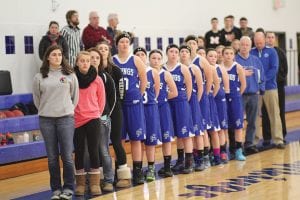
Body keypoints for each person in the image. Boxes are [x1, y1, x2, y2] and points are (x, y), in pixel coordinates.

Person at [32, 45, 79, 200]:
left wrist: (66, 109)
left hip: (66, 118)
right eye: (54, 54)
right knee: (52, 157)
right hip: (46, 120)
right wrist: (47, 110)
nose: (57, 57)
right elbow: (37, 99)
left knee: (66, 155)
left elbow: (75, 97)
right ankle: (56, 189)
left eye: (60, 54)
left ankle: (69, 188)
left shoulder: (70, 75)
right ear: (47, 57)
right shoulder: (39, 77)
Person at [113, 32, 147, 185]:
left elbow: (143, 80)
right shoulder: (112, 61)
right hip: (118, 106)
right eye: (122, 42)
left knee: (136, 138)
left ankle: (138, 171)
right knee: (118, 140)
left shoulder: (136, 60)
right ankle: (119, 170)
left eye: (127, 41)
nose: (125, 44)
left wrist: (138, 95)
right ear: (117, 44)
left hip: (133, 103)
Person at [96, 41, 132, 188]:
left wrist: (116, 108)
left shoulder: (116, 70)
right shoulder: (94, 72)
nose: (103, 51)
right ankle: (103, 177)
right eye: (100, 49)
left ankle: (123, 175)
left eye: (105, 49)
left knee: (116, 142)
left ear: (109, 52)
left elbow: (121, 91)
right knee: (100, 145)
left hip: (115, 110)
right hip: (98, 112)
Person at [73, 51, 105, 197]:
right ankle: (80, 184)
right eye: (82, 61)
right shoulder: (72, 79)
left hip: (93, 118)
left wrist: (96, 113)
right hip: (77, 120)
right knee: (79, 151)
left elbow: (101, 100)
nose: (85, 63)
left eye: (87, 60)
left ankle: (94, 183)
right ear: (77, 63)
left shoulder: (97, 79)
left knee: (93, 150)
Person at [250, 32, 285, 149]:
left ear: (264, 40)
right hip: (255, 89)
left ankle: (278, 139)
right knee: (254, 116)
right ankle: (253, 141)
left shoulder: (272, 52)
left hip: (270, 88)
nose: (259, 45)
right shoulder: (251, 52)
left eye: (260, 42)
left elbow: (274, 68)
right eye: (256, 43)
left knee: (274, 114)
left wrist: (262, 80)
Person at [88, 48, 115, 192]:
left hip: (102, 119)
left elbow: (112, 99)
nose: (94, 60)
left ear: (100, 61)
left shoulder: (105, 77)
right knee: (87, 151)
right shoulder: (80, 77)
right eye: (91, 57)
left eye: (97, 58)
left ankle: (109, 179)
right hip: (85, 120)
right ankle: (91, 181)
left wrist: (105, 115)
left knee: (103, 150)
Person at [164, 44, 194, 174]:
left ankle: (189, 162)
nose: (174, 54)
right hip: (167, 103)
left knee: (185, 133)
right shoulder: (162, 68)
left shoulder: (183, 68)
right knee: (176, 134)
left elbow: (189, 88)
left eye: (176, 52)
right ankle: (180, 160)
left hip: (181, 102)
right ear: (167, 53)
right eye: (171, 51)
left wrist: (183, 101)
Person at [185, 35, 213, 169]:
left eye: (193, 43)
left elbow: (209, 79)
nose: (191, 45)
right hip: (189, 99)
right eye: (188, 43)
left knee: (201, 128)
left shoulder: (201, 60)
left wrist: (203, 96)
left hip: (200, 98)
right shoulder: (183, 60)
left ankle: (205, 156)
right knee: (193, 128)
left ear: (197, 45)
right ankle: (195, 156)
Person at [149, 49, 178, 177]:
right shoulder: (146, 73)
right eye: (153, 58)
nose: (156, 61)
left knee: (166, 137)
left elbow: (175, 92)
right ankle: (151, 168)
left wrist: (164, 97)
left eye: (158, 58)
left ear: (161, 60)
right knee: (151, 138)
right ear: (149, 60)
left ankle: (167, 167)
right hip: (150, 107)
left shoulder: (165, 74)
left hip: (163, 107)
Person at [134, 47, 161, 182]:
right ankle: (137, 169)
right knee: (137, 140)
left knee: (150, 140)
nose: (140, 56)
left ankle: (151, 168)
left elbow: (156, 91)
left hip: (149, 107)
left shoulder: (153, 72)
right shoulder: (132, 71)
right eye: (137, 54)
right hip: (136, 108)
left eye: (142, 54)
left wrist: (151, 101)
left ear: (146, 57)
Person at [235, 36, 265, 155]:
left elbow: (262, 77)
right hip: (240, 96)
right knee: (239, 122)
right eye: (242, 44)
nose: (244, 47)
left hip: (253, 95)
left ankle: (249, 144)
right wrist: (242, 74)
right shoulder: (235, 60)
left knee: (252, 121)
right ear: (239, 46)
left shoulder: (256, 60)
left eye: (247, 45)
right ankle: (238, 145)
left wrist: (260, 89)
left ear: (250, 46)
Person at [179, 44, 205, 171]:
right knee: (182, 132)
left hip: (193, 100)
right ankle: (182, 159)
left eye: (186, 51)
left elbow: (200, 87)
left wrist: (195, 101)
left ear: (189, 54)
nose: (184, 53)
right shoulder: (176, 68)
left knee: (197, 131)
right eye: (182, 51)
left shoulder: (194, 68)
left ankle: (200, 159)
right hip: (180, 102)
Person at [222, 46, 246, 161]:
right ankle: (224, 151)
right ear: (222, 55)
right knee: (223, 126)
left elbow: (243, 84)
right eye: (226, 53)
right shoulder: (219, 68)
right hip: (222, 99)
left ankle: (238, 151)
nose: (228, 55)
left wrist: (237, 95)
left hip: (235, 98)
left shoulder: (238, 67)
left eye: (231, 53)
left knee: (238, 126)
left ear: (234, 55)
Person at [265, 31, 288, 141]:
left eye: (272, 37)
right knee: (266, 113)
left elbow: (285, 69)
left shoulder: (280, 52)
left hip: (278, 86)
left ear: (275, 39)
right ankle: (267, 137)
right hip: (267, 87)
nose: (270, 39)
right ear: (265, 39)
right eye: (268, 37)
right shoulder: (263, 52)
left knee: (280, 111)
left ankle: (282, 135)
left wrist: (279, 81)